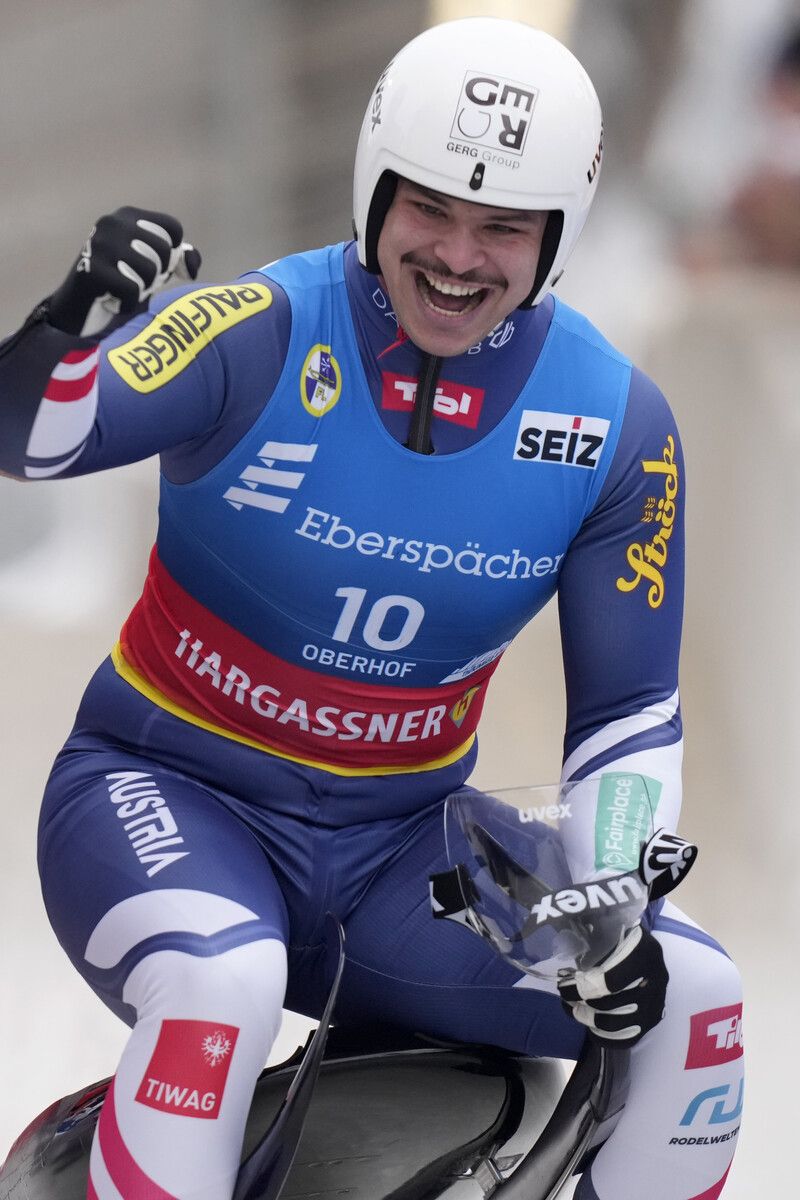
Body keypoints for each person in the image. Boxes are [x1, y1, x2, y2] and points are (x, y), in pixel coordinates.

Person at [0, 18, 742, 1200]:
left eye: (503, 227)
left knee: (692, 1000)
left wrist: (612, 914)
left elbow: (627, 715)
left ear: (558, 236)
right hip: (164, 800)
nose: (457, 256)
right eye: (429, 209)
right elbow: (31, 440)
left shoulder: (615, 423)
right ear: (372, 189)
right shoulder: (256, 328)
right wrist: (67, 325)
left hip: (400, 857)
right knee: (221, 985)